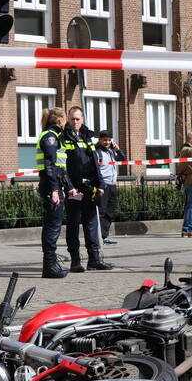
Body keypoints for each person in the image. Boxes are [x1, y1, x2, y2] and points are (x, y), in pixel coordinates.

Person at [62, 106, 114, 272]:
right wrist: (69, 186)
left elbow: (94, 163)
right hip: (74, 189)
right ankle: (75, 261)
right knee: (73, 225)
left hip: (89, 187)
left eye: (78, 119)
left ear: (82, 119)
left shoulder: (87, 136)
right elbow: (62, 166)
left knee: (91, 224)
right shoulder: (64, 137)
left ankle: (94, 259)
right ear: (68, 119)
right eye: (72, 119)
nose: (75, 122)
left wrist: (100, 184)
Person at [36, 107, 72, 278]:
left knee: (53, 225)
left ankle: (51, 264)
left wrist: (69, 187)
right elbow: (50, 165)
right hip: (51, 186)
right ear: (59, 120)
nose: (67, 122)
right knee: (52, 227)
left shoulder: (56, 136)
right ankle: (49, 266)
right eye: (65, 118)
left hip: (54, 185)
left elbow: (60, 167)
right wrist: (54, 190)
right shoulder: (50, 137)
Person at [95, 129, 126, 245]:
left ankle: (104, 236)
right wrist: (100, 185)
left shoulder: (111, 151)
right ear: (100, 140)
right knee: (101, 212)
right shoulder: (97, 152)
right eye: (105, 140)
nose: (107, 142)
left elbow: (122, 159)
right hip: (104, 185)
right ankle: (97, 237)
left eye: (109, 140)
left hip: (113, 185)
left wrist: (118, 149)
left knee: (109, 212)